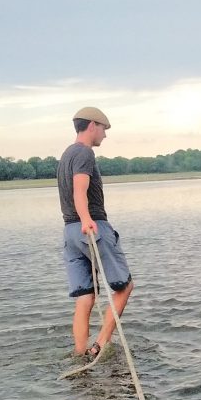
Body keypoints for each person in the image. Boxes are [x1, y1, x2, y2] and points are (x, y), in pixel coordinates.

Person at [57, 107, 134, 359]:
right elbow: (79, 190)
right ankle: (99, 345)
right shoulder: (84, 152)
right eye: (103, 129)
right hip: (89, 227)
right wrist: (87, 219)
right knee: (124, 287)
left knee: (85, 297)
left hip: (70, 233)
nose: (105, 135)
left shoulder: (67, 154)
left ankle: (80, 355)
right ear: (92, 125)